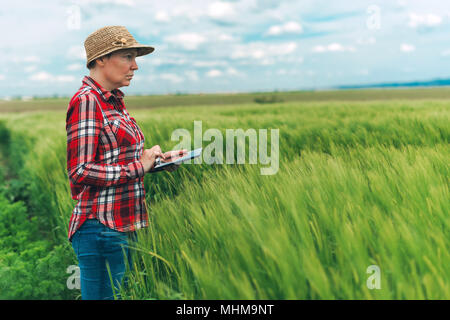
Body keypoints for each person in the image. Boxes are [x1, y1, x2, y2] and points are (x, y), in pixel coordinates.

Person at [66, 26, 186, 300]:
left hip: (121, 224)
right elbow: (80, 171)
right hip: (100, 228)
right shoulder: (88, 101)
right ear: (101, 59)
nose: (135, 66)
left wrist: (157, 161)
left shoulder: (114, 102)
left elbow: (116, 160)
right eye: (128, 57)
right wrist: (139, 167)